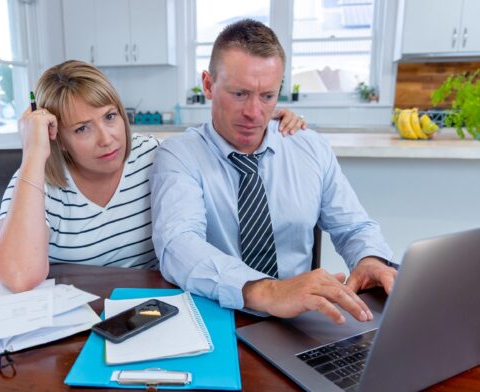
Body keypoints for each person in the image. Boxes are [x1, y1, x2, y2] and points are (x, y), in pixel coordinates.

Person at [150, 20, 398, 325]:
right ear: (208, 85)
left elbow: (354, 227)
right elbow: (178, 245)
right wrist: (268, 291)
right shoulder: (179, 155)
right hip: (216, 317)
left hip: (302, 319)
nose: (254, 113)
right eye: (239, 94)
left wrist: (370, 258)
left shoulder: (310, 147)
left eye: (267, 96)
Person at [0, 60, 307, 292]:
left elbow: (221, 148)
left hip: (153, 308)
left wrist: (259, 121)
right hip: (73, 321)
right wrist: (33, 154)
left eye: (110, 117)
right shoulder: (33, 182)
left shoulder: (155, 156)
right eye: (83, 128)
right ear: (56, 135)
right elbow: (19, 277)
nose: (107, 138)